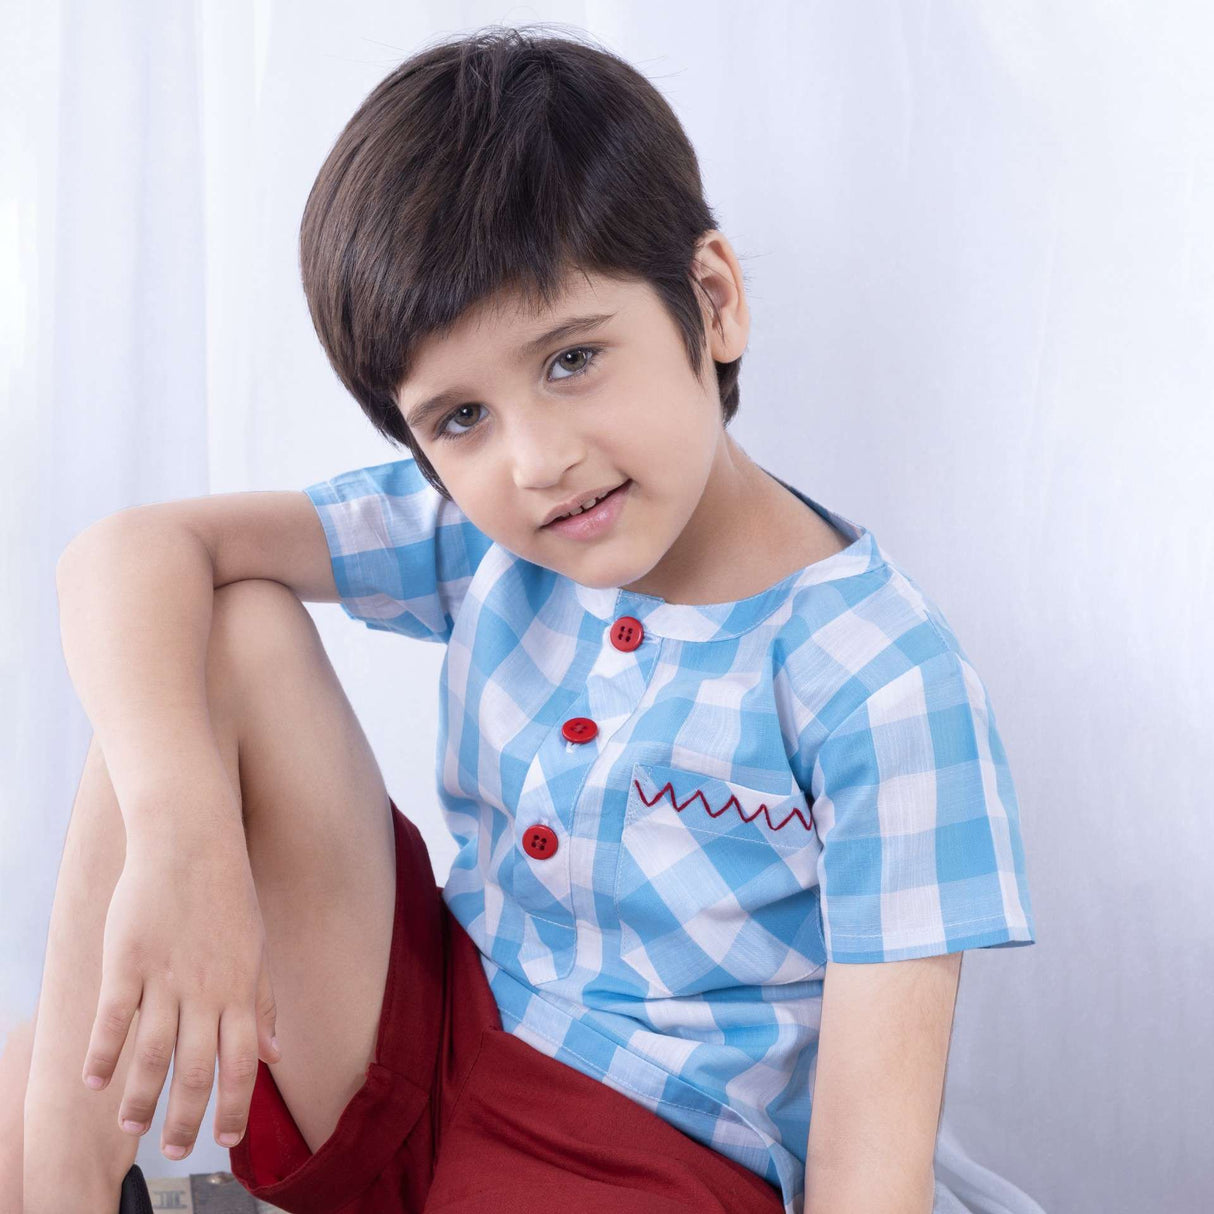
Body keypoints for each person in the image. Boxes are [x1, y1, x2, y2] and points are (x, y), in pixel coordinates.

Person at [12, 23, 1041, 1214]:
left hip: (652, 1150)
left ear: (709, 303)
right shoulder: (483, 528)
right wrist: (185, 835)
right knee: (221, 623)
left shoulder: (880, 682)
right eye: (458, 417)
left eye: (568, 360)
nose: (538, 460)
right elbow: (125, 552)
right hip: (433, 1030)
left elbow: (869, 1174)